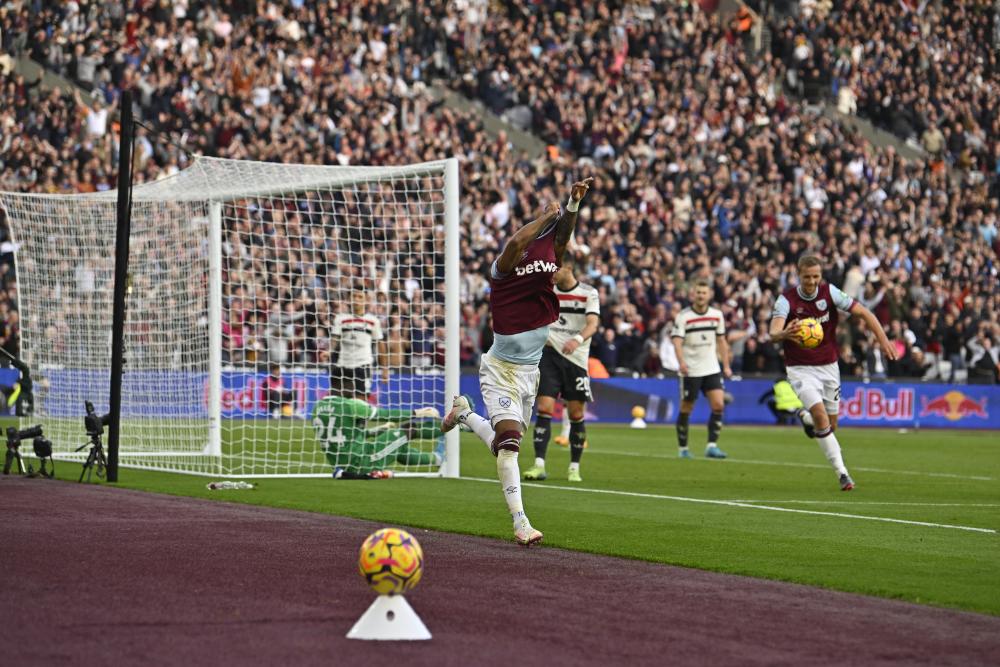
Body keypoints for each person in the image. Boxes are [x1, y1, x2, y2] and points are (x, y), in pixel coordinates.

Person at [441, 176, 593, 546]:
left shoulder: (549, 257)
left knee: (503, 443)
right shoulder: (503, 266)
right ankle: (520, 521)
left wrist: (572, 205)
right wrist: (545, 217)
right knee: (509, 443)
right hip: (501, 369)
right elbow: (515, 242)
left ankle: (464, 414)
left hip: (531, 370)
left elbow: (563, 238)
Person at [769, 254, 897, 491]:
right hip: (800, 369)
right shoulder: (786, 300)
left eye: (816, 276)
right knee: (821, 416)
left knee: (830, 426)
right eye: (807, 277)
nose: (812, 281)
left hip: (829, 367)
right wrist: (785, 333)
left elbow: (866, 314)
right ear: (799, 276)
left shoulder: (831, 293)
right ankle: (843, 474)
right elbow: (773, 332)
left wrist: (884, 341)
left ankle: (805, 417)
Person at [524, 258, 600, 482]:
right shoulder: (548, 291)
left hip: (576, 359)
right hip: (550, 356)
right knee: (545, 407)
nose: (551, 273)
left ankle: (574, 467)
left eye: (555, 268)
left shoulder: (588, 293)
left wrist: (577, 339)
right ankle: (539, 465)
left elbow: (593, 324)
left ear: (569, 268)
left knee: (576, 413)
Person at [671, 277, 732, 459]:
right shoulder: (684, 317)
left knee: (718, 404)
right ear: (693, 295)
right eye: (698, 292)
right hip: (691, 369)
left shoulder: (717, 315)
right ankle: (683, 449)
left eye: (704, 293)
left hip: (712, 367)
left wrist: (726, 365)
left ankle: (711, 446)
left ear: (710, 295)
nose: (701, 296)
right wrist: (681, 362)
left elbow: (722, 341)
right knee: (686, 407)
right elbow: (677, 341)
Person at [312, 393, 441, 479]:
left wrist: (379, 429)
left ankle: (437, 459)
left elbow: (353, 434)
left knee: (398, 448)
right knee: (408, 429)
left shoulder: (318, 407)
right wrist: (416, 412)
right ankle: (450, 426)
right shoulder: (350, 405)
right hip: (364, 463)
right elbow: (384, 413)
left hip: (343, 466)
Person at [327, 291, 387, 400]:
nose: (356, 299)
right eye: (354, 296)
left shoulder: (373, 321)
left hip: (363, 366)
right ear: (349, 299)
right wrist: (328, 351)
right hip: (342, 364)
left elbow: (380, 344)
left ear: (366, 300)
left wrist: (385, 369)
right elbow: (334, 339)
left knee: (361, 405)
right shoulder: (340, 319)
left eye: (360, 297)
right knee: (337, 404)